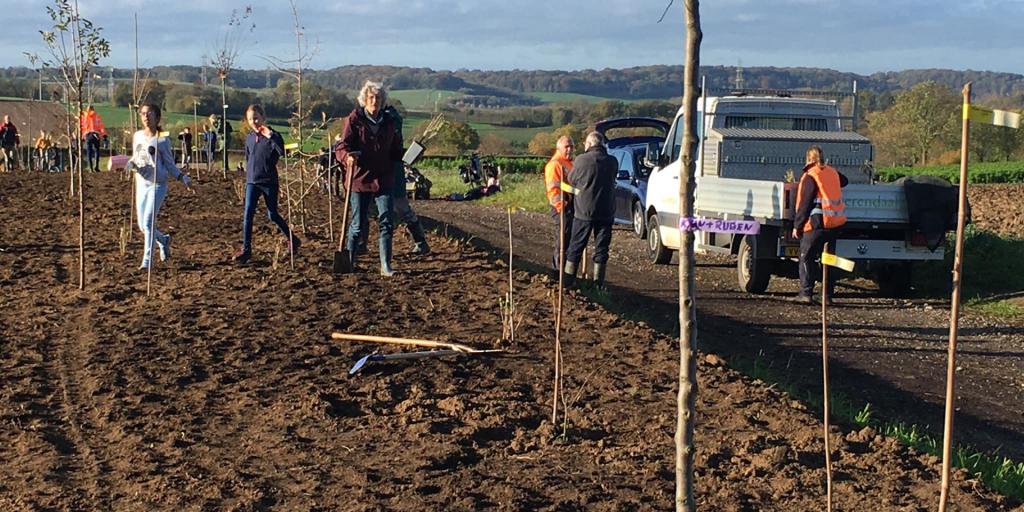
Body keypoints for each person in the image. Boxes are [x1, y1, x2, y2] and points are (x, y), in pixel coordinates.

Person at [335, 80, 403, 276]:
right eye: (371, 97)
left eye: (378, 98)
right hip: (359, 178)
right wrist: (347, 157)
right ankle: (350, 261)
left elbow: (395, 149)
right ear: (364, 99)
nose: (374, 101)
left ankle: (385, 266)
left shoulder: (389, 122)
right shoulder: (354, 119)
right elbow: (342, 146)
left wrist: (405, 156)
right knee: (358, 224)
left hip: (383, 178)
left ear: (382, 101)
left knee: (387, 222)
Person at [126, 104, 193, 269]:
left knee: (148, 222)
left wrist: (182, 177)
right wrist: (130, 164)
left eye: (149, 113)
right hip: (141, 183)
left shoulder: (162, 139)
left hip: (157, 185)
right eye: (143, 113)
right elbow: (136, 156)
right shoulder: (137, 135)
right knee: (142, 226)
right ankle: (163, 240)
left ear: (157, 117)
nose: (145, 117)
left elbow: (169, 164)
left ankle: (147, 261)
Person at [233, 104, 300, 264]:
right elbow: (249, 158)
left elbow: (282, 152)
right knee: (248, 214)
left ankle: (293, 239)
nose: (254, 122)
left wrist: (270, 136)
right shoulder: (249, 138)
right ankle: (246, 250)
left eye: (256, 118)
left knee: (272, 214)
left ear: (263, 117)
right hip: (252, 181)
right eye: (250, 119)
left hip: (269, 182)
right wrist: (248, 175)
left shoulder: (273, 136)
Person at [792, 145, 848, 304]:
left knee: (806, 257)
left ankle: (805, 293)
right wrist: (829, 170)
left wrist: (797, 225)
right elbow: (845, 181)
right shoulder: (832, 172)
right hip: (833, 224)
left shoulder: (810, 176)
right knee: (829, 259)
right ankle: (827, 296)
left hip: (816, 224)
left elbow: (805, 204)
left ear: (809, 159)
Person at [563, 132, 618, 288]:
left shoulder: (581, 160)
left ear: (589, 144)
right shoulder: (612, 161)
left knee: (576, 247)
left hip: (584, 212)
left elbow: (571, 180)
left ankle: (568, 282)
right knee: (602, 249)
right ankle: (598, 284)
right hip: (606, 212)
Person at [384, 105, 430, 255]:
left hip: (392, 168)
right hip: (384, 168)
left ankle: (420, 242)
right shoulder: (390, 116)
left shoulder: (389, 117)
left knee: (401, 206)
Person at [544, 135, 574, 276]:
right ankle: (558, 272)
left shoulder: (569, 163)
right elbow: (553, 189)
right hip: (561, 207)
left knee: (568, 241)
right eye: (566, 147)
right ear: (559, 148)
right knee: (562, 241)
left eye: (571, 146)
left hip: (570, 206)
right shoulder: (555, 165)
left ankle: (565, 272)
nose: (569, 149)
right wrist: (562, 207)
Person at [79, 105, 107, 172]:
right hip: (96, 134)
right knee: (97, 151)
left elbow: (82, 127)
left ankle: (90, 168)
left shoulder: (84, 117)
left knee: (89, 151)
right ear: (93, 109)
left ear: (87, 109)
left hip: (88, 135)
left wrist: (82, 137)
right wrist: (104, 136)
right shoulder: (97, 116)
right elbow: (101, 126)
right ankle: (96, 166)